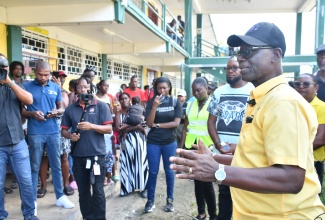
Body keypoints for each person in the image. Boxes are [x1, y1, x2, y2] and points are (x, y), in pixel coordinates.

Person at [170, 22, 325, 219]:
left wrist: (218, 171)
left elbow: (291, 178)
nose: (241, 58)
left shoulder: (283, 102)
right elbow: (254, 161)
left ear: (276, 55)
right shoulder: (262, 98)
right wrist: (211, 159)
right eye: (239, 51)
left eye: (249, 50)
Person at [207, 57, 254, 220]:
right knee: (225, 192)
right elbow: (211, 122)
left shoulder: (253, 91)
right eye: (227, 68)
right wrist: (219, 145)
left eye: (234, 67)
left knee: (245, 192)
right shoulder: (219, 92)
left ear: (241, 69)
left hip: (246, 153)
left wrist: (242, 146)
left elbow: (257, 125)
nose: (230, 71)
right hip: (224, 153)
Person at [23, 61, 74, 210]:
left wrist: (57, 112)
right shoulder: (27, 87)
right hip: (35, 132)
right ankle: (32, 201)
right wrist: (32, 113)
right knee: (34, 165)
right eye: (40, 74)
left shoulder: (54, 87)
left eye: (46, 75)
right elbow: (21, 111)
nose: (43, 77)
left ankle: (60, 197)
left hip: (53, 131)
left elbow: (61, 107)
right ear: (35, 72)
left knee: (57, 165)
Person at [61, 77, 113, 219]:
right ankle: (87, 217)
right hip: (78, 156)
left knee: (98, 191)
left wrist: (91, 126)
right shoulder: (70, 109)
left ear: (90, 88)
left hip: (97, 156)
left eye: (85, 87)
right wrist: (70, 136)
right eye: (79, 87)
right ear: (75, 89)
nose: (82, 89)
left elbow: (109, 128)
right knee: (83, 191)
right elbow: (64, 130)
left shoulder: (101, 106)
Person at [0, 54, 38, 220]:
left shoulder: (16, 86)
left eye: (4, 65)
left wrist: (9, 83)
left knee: (26, 182)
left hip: (18, 143)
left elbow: (29, 100)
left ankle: (29, 215)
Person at [179, 78, 217, 220]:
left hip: (207, 148)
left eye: (199, 90)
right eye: (193, 90)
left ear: (207, 88)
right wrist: (181, 148)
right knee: (196, 181)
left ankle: (213, 215)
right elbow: (185, 128)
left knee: (207, 183)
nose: (196, 93)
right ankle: (201, 213)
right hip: (191, 147)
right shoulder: (190, 105)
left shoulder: (213, 104)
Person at [144, 76, 182, 213]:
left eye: (164, 87)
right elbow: (149, 123)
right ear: (156, 88)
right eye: (159, 88)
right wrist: (154, 107)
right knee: (153, 172)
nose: (162, 90)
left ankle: (170, 200)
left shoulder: (175, 102)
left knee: (169, 172)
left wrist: (158, 125)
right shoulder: (150, 103)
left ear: (169, 88)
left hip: (169, 142)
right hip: (153, 142)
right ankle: (150, 201)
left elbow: (176, 123)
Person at [37, 70, 73, 198]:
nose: (60, 79)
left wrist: (58, 88)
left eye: (62, 78)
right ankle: (43, 186)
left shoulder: (63, 92)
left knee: (64, 156)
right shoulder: (42, 89)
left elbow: (65, 107)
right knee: (44, 157)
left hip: (60, 126)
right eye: (57, 77)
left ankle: (66, 184)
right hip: (44, 126)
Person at [293, 73, 325, 186]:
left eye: (306, 84)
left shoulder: (322, 107)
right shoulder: (290, 105)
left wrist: (293, 150)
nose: (301, 87)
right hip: (291, 161)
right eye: (297, 84)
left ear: (316, 87)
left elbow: (320, 139)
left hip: (313, 161)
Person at [115, 92, 148, 197]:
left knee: (141, 163)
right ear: (119, 101)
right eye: (122, 99)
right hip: (126, 141)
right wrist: (136, 127)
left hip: (139, 140)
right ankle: (126, 189)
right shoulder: (118, 113)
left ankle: (143, 188)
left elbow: (144, 125)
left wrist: (127, 128)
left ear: (130, 100)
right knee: (126, 164)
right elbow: (118, 129)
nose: (124, 100)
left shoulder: (138, 111)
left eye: (126, 98)